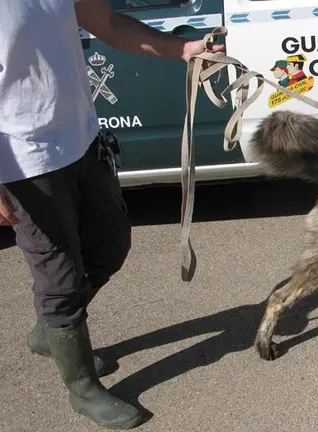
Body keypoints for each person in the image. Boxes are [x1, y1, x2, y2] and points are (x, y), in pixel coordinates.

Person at [0, 0, 224, 429]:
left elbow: (109, 23)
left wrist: (182, 49)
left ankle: (50, 331)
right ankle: (82, 388)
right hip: (24, 162)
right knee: (59, 279)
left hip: (81, 138)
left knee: (110, 244)